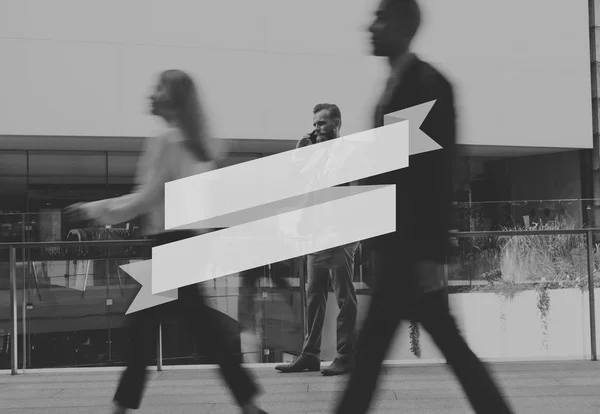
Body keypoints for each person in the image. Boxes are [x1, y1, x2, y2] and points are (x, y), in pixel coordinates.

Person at [334, 1, 515, 413]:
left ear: (402, 25)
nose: (370, 26)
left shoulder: (426, 83)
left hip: (411, 252)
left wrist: (433, 254)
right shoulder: (398, 84)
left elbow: (436, 174)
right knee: (387, 357)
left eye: (380, 17)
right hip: (398, 247)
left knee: (371, 361)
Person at [66, 69, 268, 414]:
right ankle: (248, 404)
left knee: (148, 328)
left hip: (172, 245)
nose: (151, 92)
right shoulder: (187, 143)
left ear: (172, 98)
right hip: (183, 244)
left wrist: (93, 209)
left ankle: (124, 408)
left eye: (159, 87)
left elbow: (144, 199)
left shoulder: (167, 141)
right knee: (193, 329)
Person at [275, 103, 359, 376]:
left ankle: (345, 356)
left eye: (322, 123)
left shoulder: (347, 152)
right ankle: (310, 355)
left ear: (336, 123)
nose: (316, 129)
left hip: (341, 234)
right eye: (314, 124)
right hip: (316, 235)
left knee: (345, 298)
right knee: (313, 298)